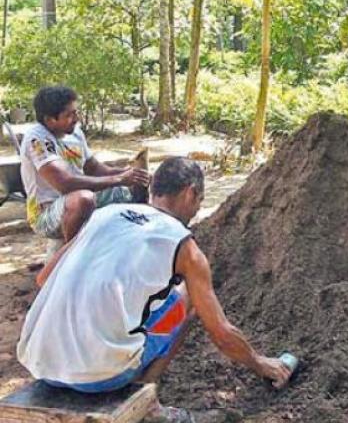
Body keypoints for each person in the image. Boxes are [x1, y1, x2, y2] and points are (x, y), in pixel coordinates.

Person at [17, 157, 291, 420]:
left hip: (40, 362)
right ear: (190, 193)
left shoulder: (103, 215)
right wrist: (262, 364)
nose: (197, 210)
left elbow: (44, 279)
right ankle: (147, 404)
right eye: (200, 201)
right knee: (187, 298)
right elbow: (221, 333)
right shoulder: (185, 247)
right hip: (100, 377)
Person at [20, 86, 150, 242]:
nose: (76, 119)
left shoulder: (75, 133)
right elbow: (65, 183)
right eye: (69, 115)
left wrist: (130, 174)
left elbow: (95, 169)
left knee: (140, 186)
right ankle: (73, 254)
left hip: (74, 201)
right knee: (83, 199)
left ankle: (138, 240)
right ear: (49, 120)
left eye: (76, 112)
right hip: (45, 213)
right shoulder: (37, 138)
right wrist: (120, 179)